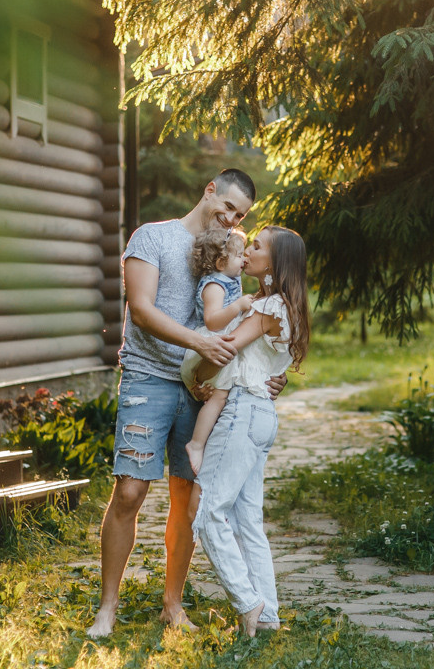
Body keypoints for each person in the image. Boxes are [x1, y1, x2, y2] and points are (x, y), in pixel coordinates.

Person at [87, 169, 286, 638]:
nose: (232, 218)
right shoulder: (152, 238)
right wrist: (198, 342)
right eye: (229, 206)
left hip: (202, 388)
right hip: (148, 378)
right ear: (209, 189)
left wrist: (265, 377)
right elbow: (142, 309)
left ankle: (172, 604)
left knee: (188, 501)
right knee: (131, 492)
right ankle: (107, 607)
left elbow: (248, 331)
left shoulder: (231, 260)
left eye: (241, 215)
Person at [188, 226, 310, 637]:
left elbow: (224, 346)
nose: (250, 250)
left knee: (205, 511)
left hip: (242, 411)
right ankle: (269, 617)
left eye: (257, 246)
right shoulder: (278, 304)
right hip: (262, 416)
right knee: (247, 521)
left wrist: (192, 378)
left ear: (275, 263)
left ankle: (248, 602)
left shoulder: (269, 306)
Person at [180, 226, 255, 474]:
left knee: (219, 397)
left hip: (220, 343)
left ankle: (205, 445)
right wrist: (238, 306)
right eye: (239, 255)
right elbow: (212, 321)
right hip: (211, 344)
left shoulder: (228, 278)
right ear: (222, 262)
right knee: (218, 397)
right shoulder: (214, 286)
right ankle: (196, 444)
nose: (244, 259)